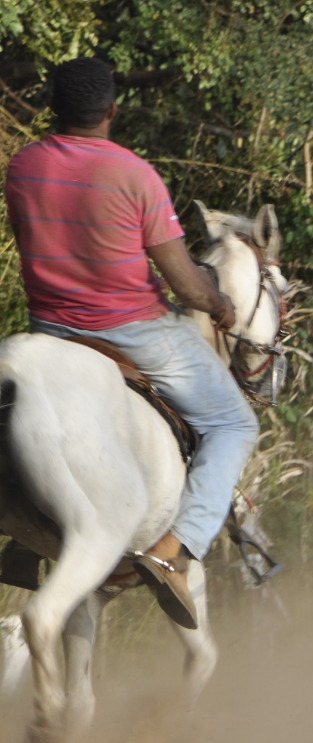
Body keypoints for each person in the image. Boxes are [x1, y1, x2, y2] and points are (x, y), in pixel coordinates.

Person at [3, 57, 260, 629]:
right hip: (134, 331)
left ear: (52, 108)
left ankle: (25, 540)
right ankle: (174, 553)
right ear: (113, 110)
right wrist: (218, 303)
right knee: (235, 424)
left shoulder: (23, 167)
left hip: (48, 329)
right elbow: (185, 283)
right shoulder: (135, 175)